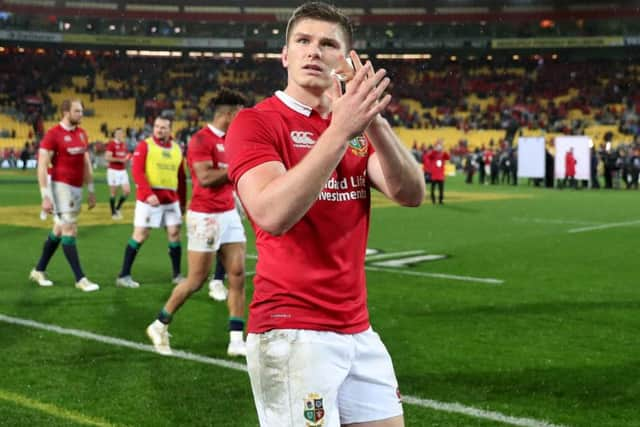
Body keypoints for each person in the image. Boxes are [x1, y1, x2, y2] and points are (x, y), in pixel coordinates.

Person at [226, 3, 425, 426]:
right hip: (291, 330)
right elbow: (272, 213)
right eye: (303, 41)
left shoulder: (355, 127)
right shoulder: (255, 123)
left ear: (347, 61)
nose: (314, 51)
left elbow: (411, 193)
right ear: (285, 55)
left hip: (357, 328)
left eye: (328, 44)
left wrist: (371, 120)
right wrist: (339, 130)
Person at [146, 89, 249, 357]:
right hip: (205, 216)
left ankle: (236, 339)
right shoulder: (200, 140)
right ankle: (160, 323)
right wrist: (237, 167)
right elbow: (204, 178)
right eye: (238, 113)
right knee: (196, 280)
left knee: (237, 273)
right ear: (226, 115)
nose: (242, 118)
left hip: (228, 213)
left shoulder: (232, 139)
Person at [28, 99, 100, 292]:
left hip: (76, 188)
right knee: (70, 230)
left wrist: (91, 190)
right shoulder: (53, 135)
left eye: (82, 111)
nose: (81, 115)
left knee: (59, 230)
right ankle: (80, 279)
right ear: (65, 112)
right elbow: (42, 165)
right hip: (60, 186)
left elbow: (86, 164)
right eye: (77, 111)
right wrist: (45, 196)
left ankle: (39, 270)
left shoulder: (82, 134)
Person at [115, 116, 186, 288]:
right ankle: (123, 275)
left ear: (170, 130)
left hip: (171, 200)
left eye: (163, 127)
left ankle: (177, 275)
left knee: (174, 234)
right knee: (141, 234)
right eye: (157, 127)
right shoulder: (145, 145)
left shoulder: (177, 149)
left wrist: (182, 202)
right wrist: (147, 194)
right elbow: (137, 171)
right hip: (149, 200)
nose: (159, 130)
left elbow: (181, 178)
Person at [104, 128, 131, 220]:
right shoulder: (111, 144)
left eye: (121, 133)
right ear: (114, 135)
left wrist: (127, 157)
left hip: (122, 170)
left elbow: (126, 154)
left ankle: (118, 208)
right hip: (113, 171)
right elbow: (107, 157)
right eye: (118, 133)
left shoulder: (124, 145)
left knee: (127, 191)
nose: (120, 135)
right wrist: (120, 160)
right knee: (113, 193)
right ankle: (113, 213)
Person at [427, 139, 450, 204]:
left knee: (441, 189)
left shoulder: (443, 154)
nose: (439, 148)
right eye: (438, 146)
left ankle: (441, 200)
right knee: (433, 189)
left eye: (440, 146)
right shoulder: (433, 154)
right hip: (434, 175)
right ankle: (433, 200)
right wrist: (435, 150)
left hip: (441, 175)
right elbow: (429, 156)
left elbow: (448, 157)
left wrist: (444, 150)